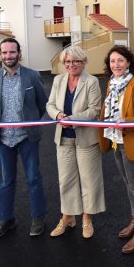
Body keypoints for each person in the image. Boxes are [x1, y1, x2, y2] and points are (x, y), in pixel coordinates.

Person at [0, 37, 49, 240]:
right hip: (3, 139)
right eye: (4, 52)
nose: (8, 56)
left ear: (19, 53)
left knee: (33, 179)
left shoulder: (31, 76)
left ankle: (38, 218)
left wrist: (28, 123)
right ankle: (6, 220)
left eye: (12, 52)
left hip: (26, 137)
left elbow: (42, 103)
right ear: (0, 54)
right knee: (6, 182)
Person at [98, 45, 134, 254]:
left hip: (133, 142)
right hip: (116, 141)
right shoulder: (112, 84)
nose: (116, 65)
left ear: (129, 62)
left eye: (120, 60)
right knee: (128, 185)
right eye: (112, 61)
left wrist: (125, 121)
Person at [46, 46, 105, 239]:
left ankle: (86, 219)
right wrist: (58, 115)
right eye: (68, 62)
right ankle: (68, 217)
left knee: (89, 180)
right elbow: (50, 104)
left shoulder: (92, 81)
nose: (71, 65)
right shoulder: (58, 80)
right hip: (63, 138)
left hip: (86, 138)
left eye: (76, 61)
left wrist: (72, 118)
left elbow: (94, 110)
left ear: (83, 62)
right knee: (66, 180)